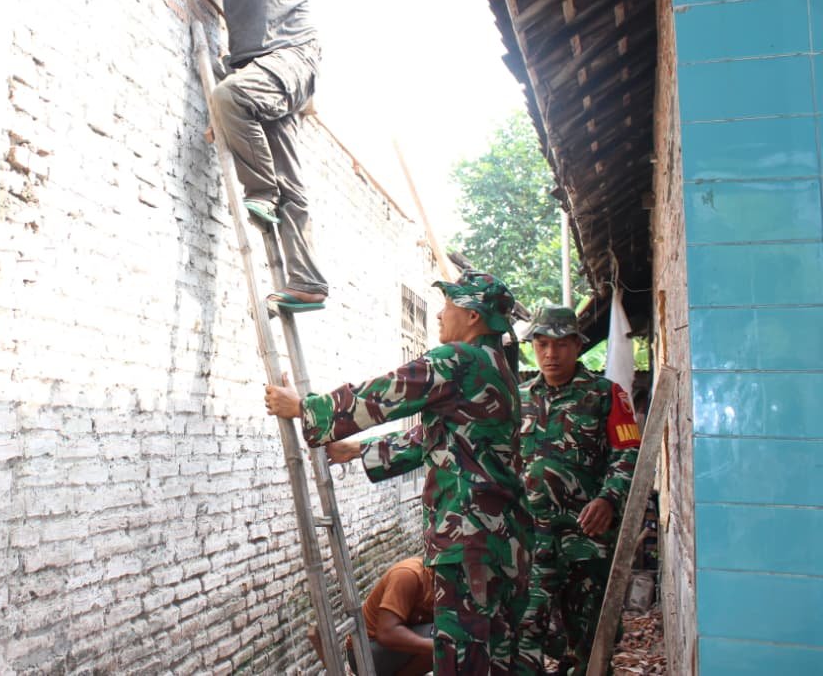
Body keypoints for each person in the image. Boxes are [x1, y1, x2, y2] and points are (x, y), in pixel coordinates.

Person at [265, 271, 531, 675]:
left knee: (463, 663)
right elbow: (447, 440)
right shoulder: (500, 372)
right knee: (498, 658)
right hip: (507, 542)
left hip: (469, 541)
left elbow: (386, 393)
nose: (440, 315)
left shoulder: (459, 359)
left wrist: (304, 408)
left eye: (448, 306)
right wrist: (357, 450)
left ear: (473, 316)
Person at [175, 0, 327, 313]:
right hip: (252, 61)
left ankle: (261, 193)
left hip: (291, 54)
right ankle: (307, 284)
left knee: (230, 99)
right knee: (290, 176)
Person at [514, 305, 641, 676]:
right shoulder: (518, 399)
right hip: (532, 540)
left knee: (590, 637)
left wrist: (609, 497)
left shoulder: (606, 395)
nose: (550, 354)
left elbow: (628, 451)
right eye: (541, 345)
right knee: (524, 631)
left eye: (561, 345)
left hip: (586, 539)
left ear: (577, 346)